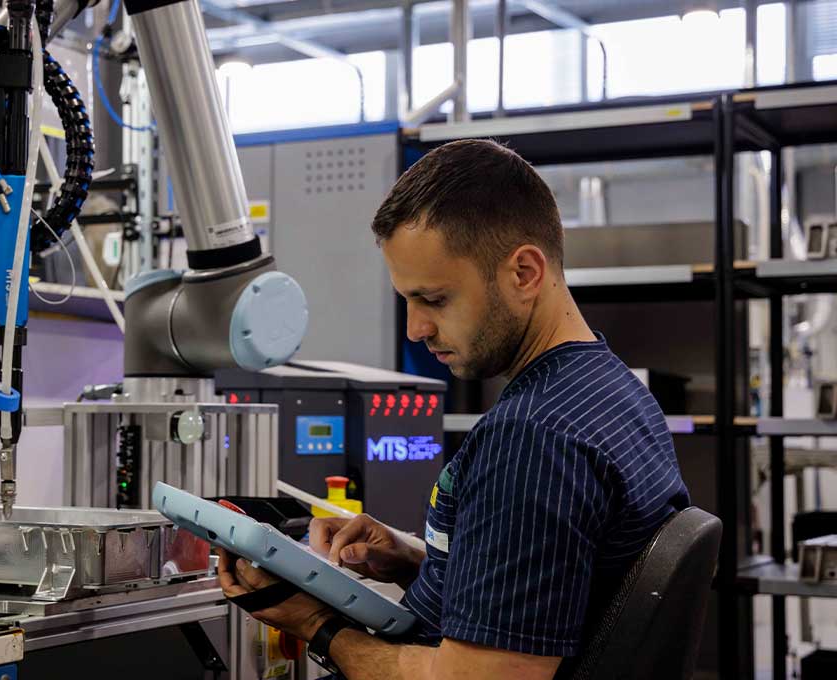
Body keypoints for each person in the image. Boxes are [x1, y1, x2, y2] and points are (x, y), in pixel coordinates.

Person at [217, 138, 690, 680]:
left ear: (525, 273)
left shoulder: (534, 437)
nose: (416, 330)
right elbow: (560, 588)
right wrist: (413, 558)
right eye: (408, 302)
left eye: (434, 299)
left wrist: (317, 624)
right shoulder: (613, 391)